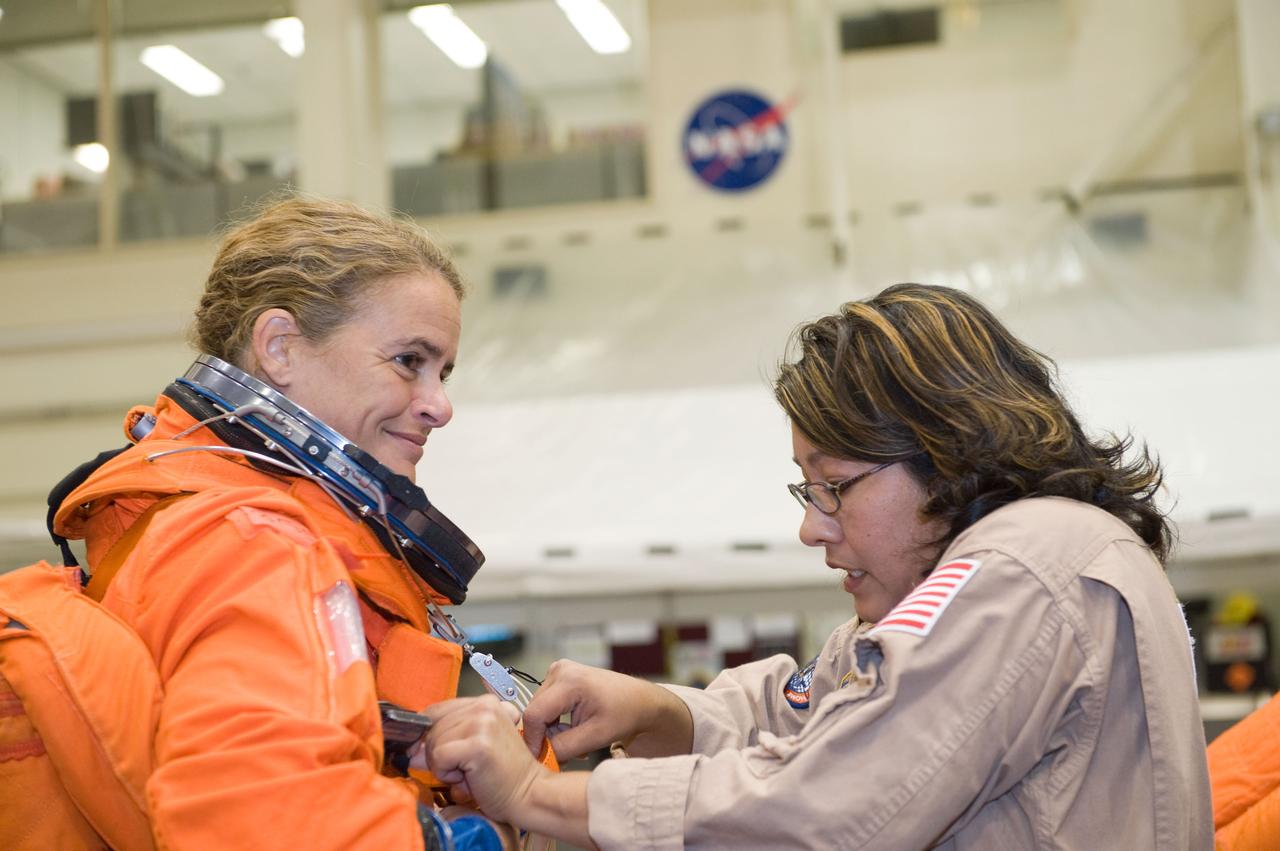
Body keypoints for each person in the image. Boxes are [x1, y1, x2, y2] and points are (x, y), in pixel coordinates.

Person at [418, 283, 1214, 849]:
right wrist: (660, 710)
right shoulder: (1015, 564)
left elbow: (832, 809)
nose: (811, 526)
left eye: (835, 487)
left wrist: (534, 793)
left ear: (948, 451)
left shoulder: (1022, 569)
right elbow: (815, 710)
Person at [32, 196, 511, 849]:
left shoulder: (181, 507)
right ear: (280, 348)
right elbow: (257, 821)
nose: (438, 405)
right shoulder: (256, 544)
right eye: (409, 361)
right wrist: (472, 835)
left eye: (443, 371)